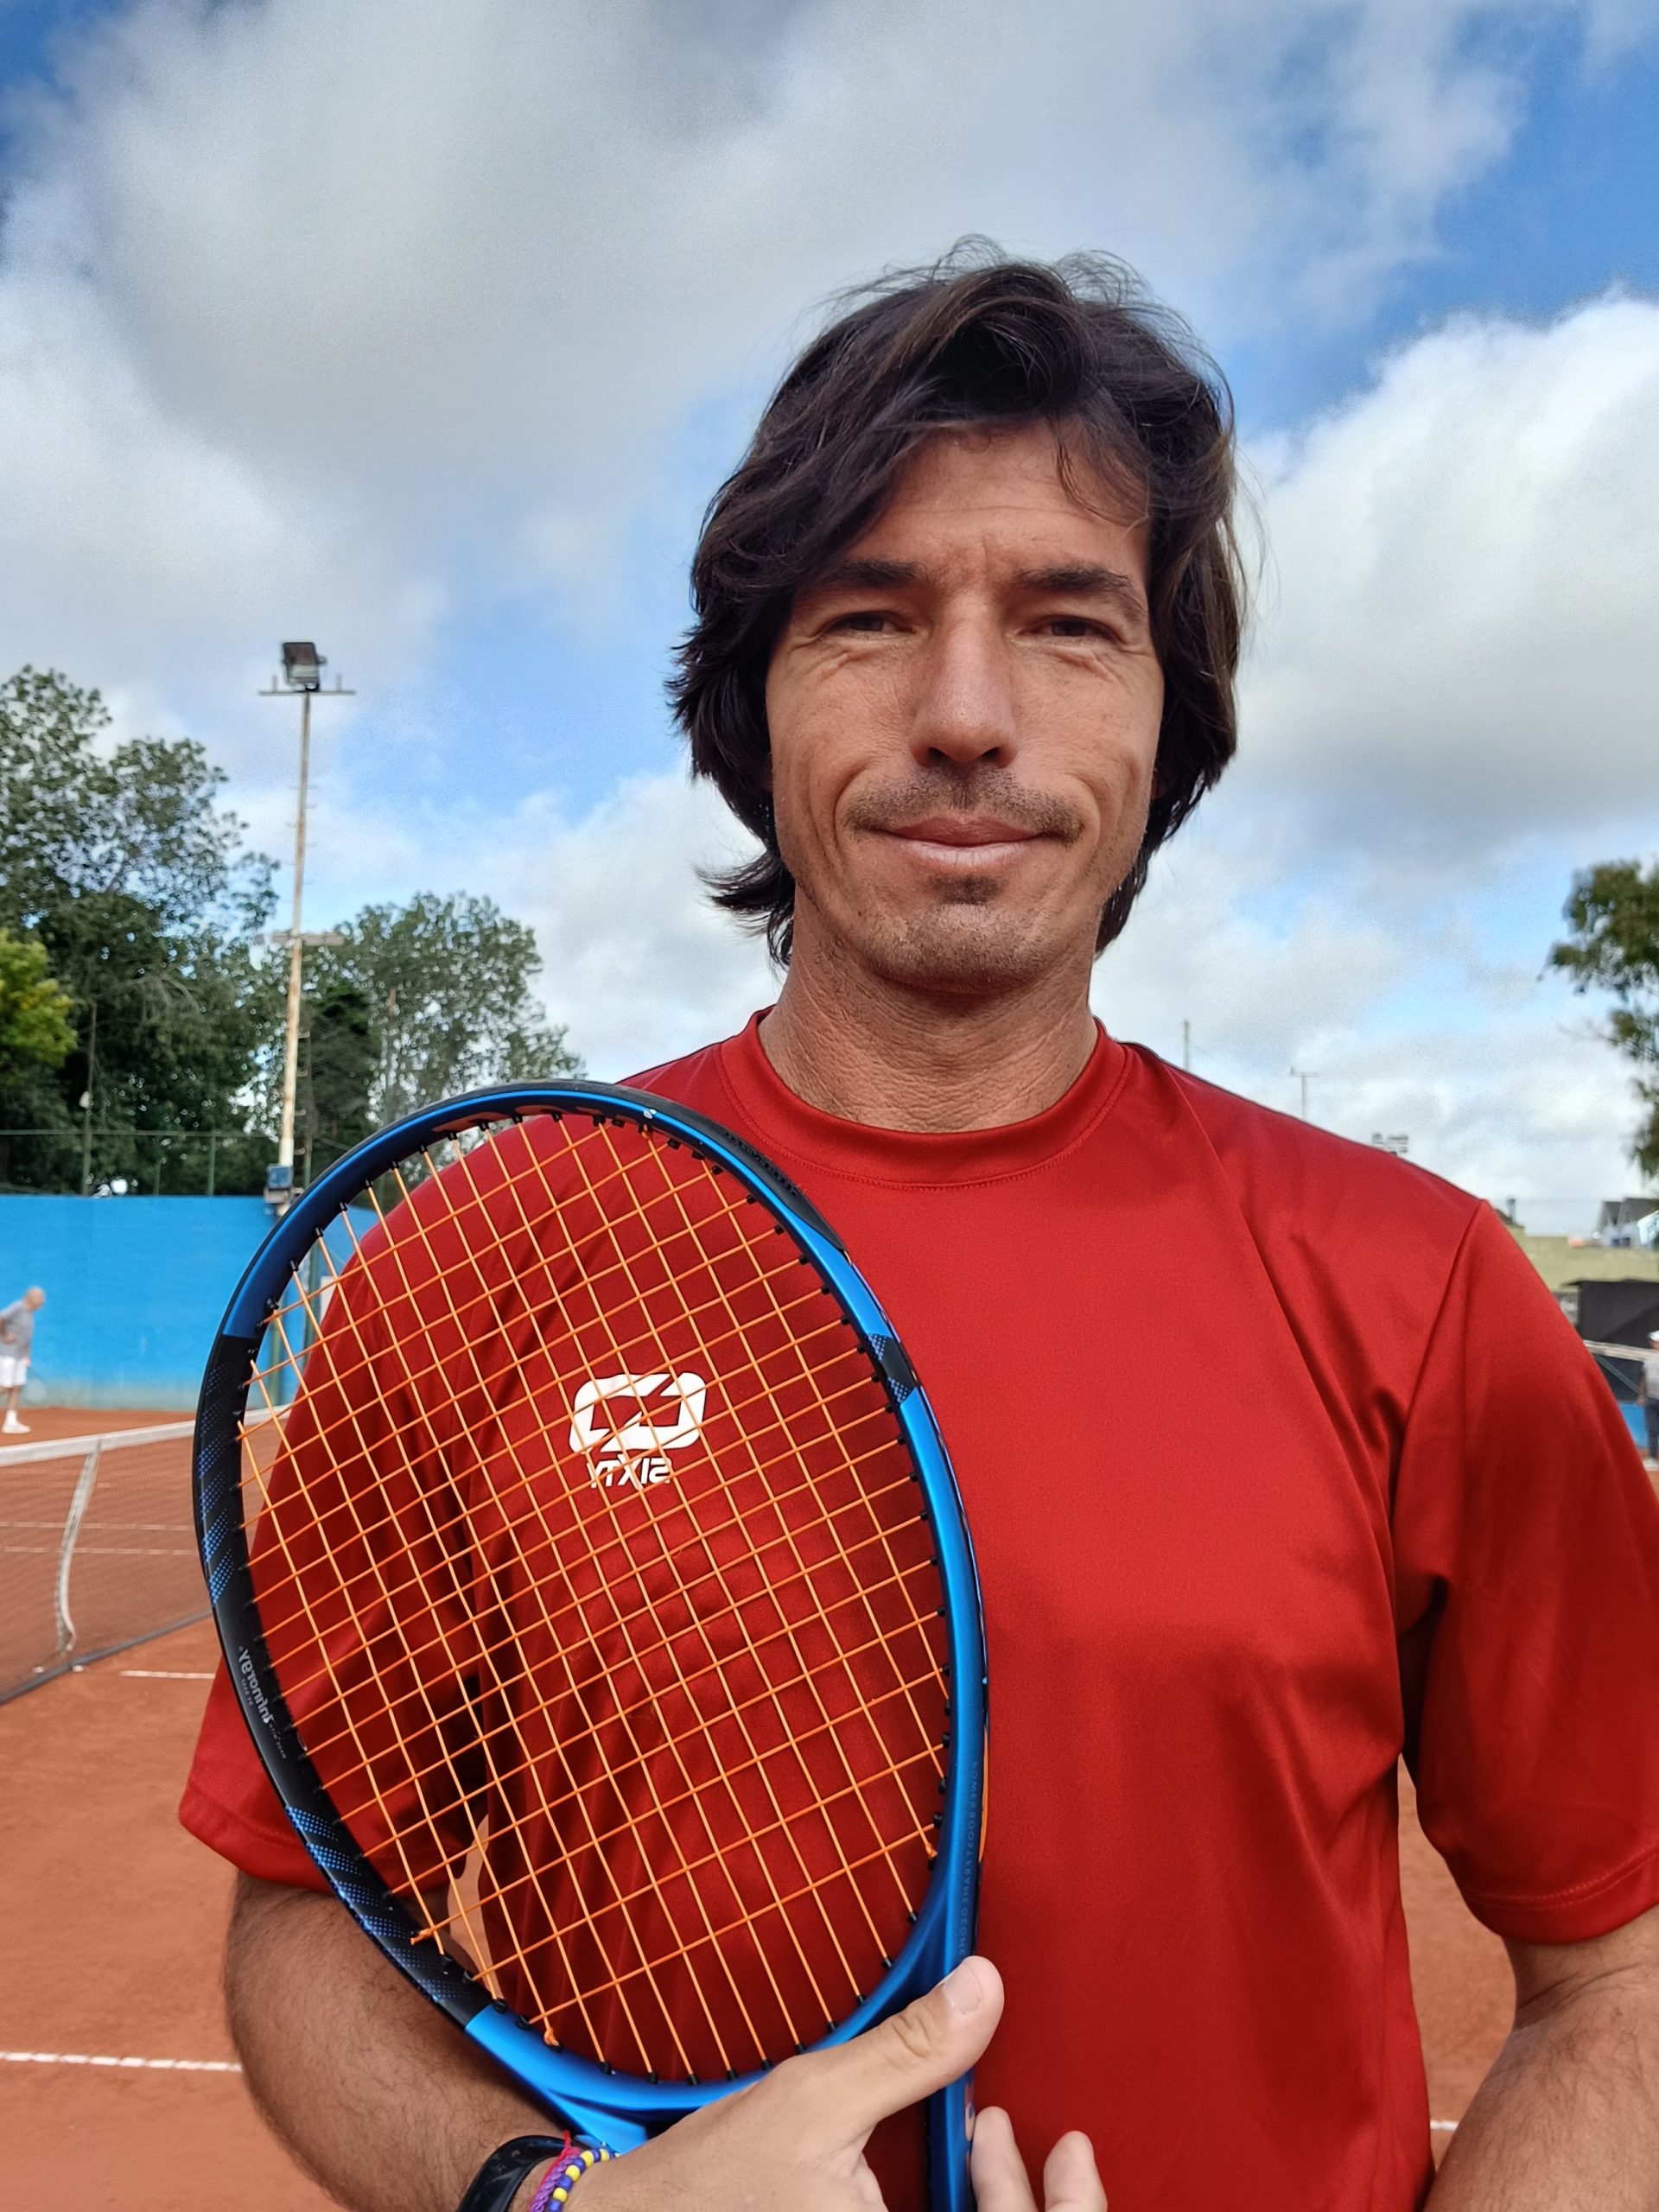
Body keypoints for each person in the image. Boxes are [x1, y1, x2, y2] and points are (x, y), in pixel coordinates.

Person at [181, 252, 1659, 2212]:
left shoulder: (1423, 1281)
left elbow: (1621, 1968)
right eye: (870, 617)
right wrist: (563, 2204)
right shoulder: (486, 1247)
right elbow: (301, 1918)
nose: (966, 715)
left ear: (1166, 718)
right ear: (754, 706)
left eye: (1067, 622)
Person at [0, 1285, 45, 1434]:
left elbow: (26, 1338)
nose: (42, 1302)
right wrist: (5, 1336)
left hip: (20, 1357)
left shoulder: (30, 1315)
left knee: (16, 1387)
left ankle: (10, 1423)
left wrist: (27, 1357)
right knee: (4, 1387)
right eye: (40, 1298)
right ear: (31, 1298)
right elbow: (1, 1317)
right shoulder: (18, 1307)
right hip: (7, 1354)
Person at [1641, 1330, 1659, 1468]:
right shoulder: (1648, 1357)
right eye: (1653, 1341)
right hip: (1651, 1398)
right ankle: (1652, 1458)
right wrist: (1641, 1394)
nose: (1653, 1343)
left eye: (1656, 1341)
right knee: (1652, 1428)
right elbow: (1644, 1377)